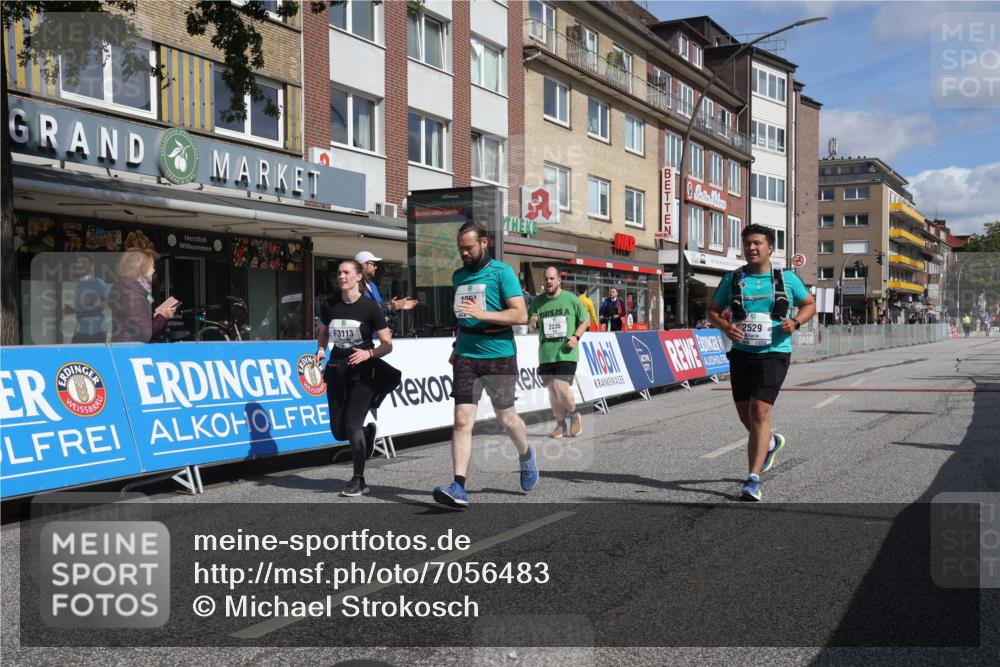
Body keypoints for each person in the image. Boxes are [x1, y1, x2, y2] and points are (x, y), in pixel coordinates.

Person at [432, 221, 538, 508]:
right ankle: (459, 486)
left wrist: (484, 313)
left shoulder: (501, 272)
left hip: (499, 353)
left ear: (484, 243)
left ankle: (526, 454)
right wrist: (457, 345)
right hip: (467, 354)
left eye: (468, 248)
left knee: (506, 418)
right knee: (462, 420)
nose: (464, 253)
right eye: (460, 249)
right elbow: (462, 317)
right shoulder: (458, 276)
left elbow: (520, 315)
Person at [707, 224, 816, 502]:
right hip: (742, 354)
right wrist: (725, 327)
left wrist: (796, 322)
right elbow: (712, 311)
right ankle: (769, 443)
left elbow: (809, 304)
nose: (751, 248)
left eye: (757, 243)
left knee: (759, 413)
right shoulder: (733, 278)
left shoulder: (787, 278)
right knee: (746, 415)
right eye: (747, 244)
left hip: (774, 352)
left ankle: (753, 479)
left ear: (770, 248)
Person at [315, 259, 397, 497]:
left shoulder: (370, 308)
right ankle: (367, 434)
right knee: (339, 431)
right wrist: (321, 350)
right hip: (337, 368)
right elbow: (324, 333)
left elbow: (387, 344)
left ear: (358, 277)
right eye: (339, 273)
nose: (341, 276)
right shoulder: (330, 305)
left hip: (364, 371)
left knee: (352, 425)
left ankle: (358, 479)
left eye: (346, 272)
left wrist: (368, 353)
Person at [528, 266, 589, 438]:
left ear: (559, 280)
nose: (548, 281)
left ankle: (574, 414)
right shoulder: (537, 302)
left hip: (566, 352)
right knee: (552, 391)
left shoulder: (571, 299)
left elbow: (585, 321)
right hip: (546, 353)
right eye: (546, 279)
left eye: (552, 278)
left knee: (561, 387)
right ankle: (560, 425)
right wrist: (532, 323)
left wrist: (576, 337)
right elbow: (532, 328)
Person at [109, 249, 179, 343]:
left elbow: (133, 321)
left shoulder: (127, 287)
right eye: (151, 266)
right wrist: (162, 316)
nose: (154, 270)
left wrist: (156, 316)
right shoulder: (133, 293)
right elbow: (145, 334)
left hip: (125, 345)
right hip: (131, 349)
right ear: (140, 267)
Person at [354, 251, 419, 324]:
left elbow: (381, 307)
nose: (376, 267)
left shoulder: (372, 285)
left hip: (375, 332)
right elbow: (365, 311)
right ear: (364, 265)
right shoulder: (354, 285)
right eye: (373, 264)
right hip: (363, 332)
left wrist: (397, 306)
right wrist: (390, 307)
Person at [63, 254, 109, 344]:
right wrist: (71, 310)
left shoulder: (98, 283)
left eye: (84, 263)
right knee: (76, 356)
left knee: (92, 357)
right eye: (78, 263)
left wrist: (90, 302)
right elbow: (85, 310)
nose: (80, 265)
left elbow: (105, 305)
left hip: (95, 331)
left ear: (91, 266)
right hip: (81, 330)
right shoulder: (80, 284)